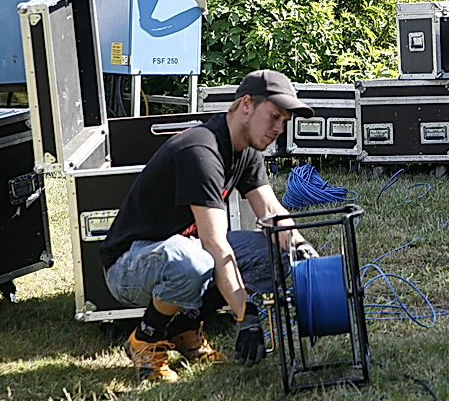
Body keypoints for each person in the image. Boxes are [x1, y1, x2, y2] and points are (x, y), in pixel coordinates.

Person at [100, 69, 319, 383]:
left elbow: (270, 211)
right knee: (195, 261)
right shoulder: (201, 151)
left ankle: (184, 329)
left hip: (181, 252)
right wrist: (246, 315)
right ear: (246, 105)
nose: (278, 129)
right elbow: (215, 244)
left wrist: (300, 248)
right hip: (129, 265)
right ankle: (145, 340)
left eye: (284, 121)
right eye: (273, 117)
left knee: (277, 254)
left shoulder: (245, 150)